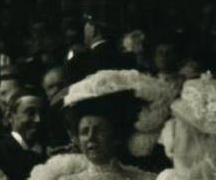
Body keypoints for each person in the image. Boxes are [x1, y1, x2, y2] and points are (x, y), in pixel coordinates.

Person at [30, 70, 175, 180]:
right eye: (84, 132)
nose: (91, 137)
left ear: (116, 136)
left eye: (99, 130)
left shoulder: (145, 178)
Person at [0, 86, 48, 180]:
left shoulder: (47, 153)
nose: (38, 120)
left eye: (41, 113)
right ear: (10, 116)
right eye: (30, 113)